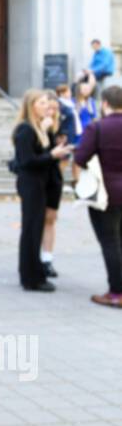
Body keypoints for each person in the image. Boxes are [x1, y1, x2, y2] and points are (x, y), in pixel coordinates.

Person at [11, 89, 72, 292]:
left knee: (36, 229)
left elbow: (42, 154)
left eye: (48, 103)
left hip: (39, 183)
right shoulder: (25, 130)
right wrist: (53, 154)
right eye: (43, 103)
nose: (48, 107)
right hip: (31, 184)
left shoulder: (38, 128)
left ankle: (35, 272)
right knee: (31, 229)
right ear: (33, 106)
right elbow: (27, 161)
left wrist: (51, 143)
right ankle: (30, 278)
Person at [73, 83, 122, 308]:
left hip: (106, 194)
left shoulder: (98, 128)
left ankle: (116, 292)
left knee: (110, 242)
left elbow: (81, 158)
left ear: (104, 103)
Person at [39, 92, 67, 279]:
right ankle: (36, 257)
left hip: (54, 178)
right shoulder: (36, 127)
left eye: (56, 109)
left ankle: (47, 258)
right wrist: (42, 130)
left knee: (50, 218)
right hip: (38, 179)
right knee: (36, 219)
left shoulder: (59, 126)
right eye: (49, 107)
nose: (53, 112)